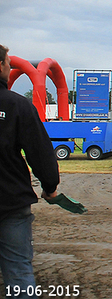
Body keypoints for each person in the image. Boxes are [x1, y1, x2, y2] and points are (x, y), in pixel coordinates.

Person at [0, 44, 60, 297]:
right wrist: (50, 187)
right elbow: (40, 152)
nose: (9, 67)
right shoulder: (17, 105)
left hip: (10, 201)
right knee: (18, 271)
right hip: (9, 201)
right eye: (7, 63)